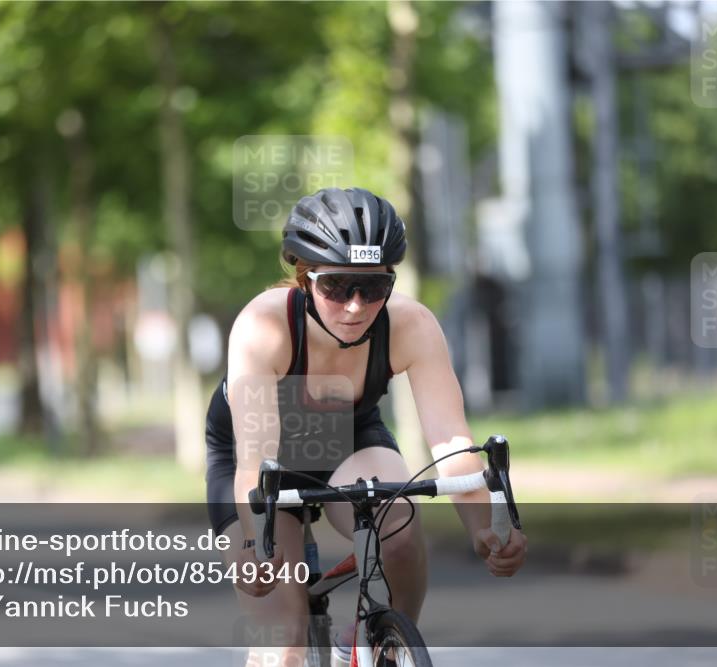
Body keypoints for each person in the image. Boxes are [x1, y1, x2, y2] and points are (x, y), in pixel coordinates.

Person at [205, 187, 527, 667]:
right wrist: (257, 542)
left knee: (397, 529)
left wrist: (485, 527)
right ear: (303, 277)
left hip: (347, 437)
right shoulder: (263, 327)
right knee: (285, 642)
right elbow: (256, 459)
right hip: (254, 457)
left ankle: (380, 644)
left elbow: (452, 439)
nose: (356, 306)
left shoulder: (410, 324)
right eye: (336, 287)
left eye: (373, 288)